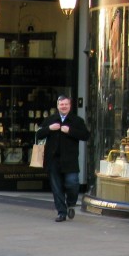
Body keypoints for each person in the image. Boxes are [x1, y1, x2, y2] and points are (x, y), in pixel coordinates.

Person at [38, 93, 90, 221]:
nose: (64, 106)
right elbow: (39, 134)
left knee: (72, 183)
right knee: (56, 187)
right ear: (57, 106)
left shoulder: (77, 120)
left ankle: (71, 203)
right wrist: (49, 128)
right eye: (61, 104)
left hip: (70, 159)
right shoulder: (50, 120)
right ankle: (61, 212)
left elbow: (86, 135)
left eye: (66, 104)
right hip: (53, 159)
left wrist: (70, 131)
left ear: (70, 105)